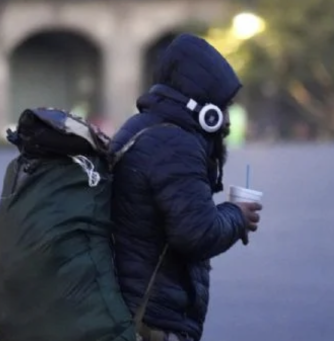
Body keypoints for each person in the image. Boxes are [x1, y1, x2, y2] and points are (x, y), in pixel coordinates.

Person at [109, 34, 263, 341]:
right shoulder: (174, 144)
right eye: (224, 106)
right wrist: (236, 216)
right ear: (206, 110)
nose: (226, 117)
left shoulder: (142, 127)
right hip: (152, 317)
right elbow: (196, 233)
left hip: (127, 303)